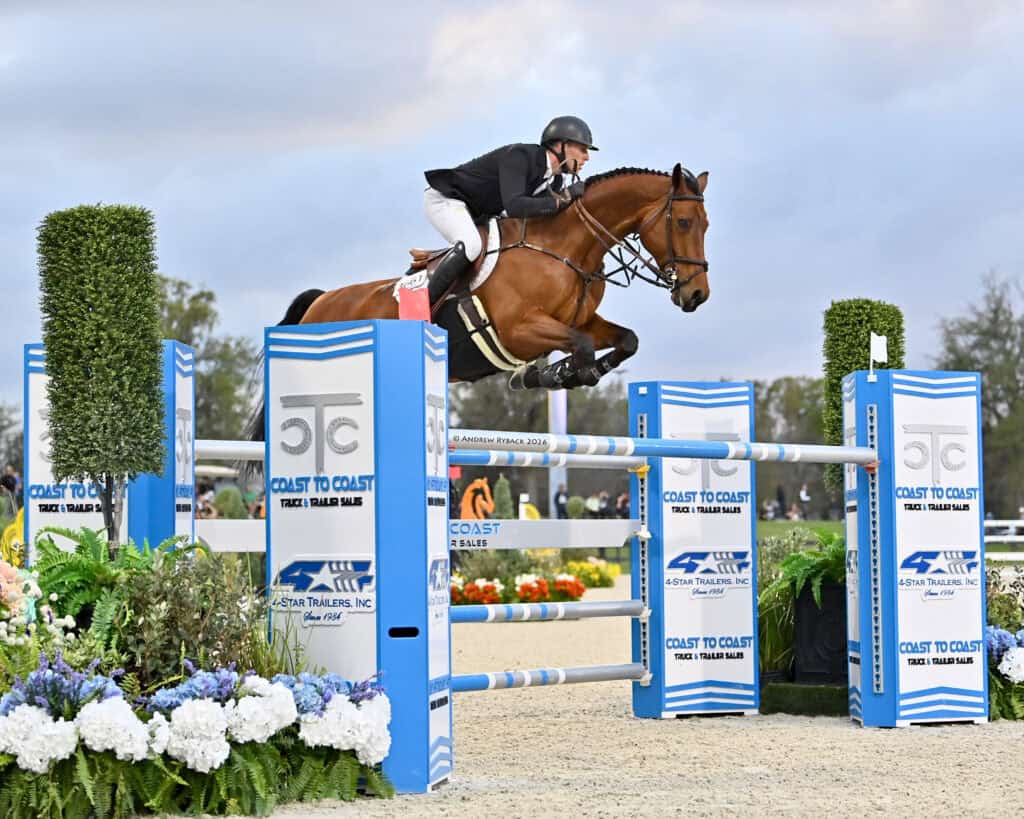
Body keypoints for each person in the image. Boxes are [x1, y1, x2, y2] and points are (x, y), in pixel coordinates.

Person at [420, 116, 598, 303]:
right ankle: (423, 304)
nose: (587, 157)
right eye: (582, 149)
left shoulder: (555, 180)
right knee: (472, 245)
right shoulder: (520, 156)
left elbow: (531, 217)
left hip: (479, 213)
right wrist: (563, 199)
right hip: (447, 199)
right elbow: (515, 206)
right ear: (561, 145)